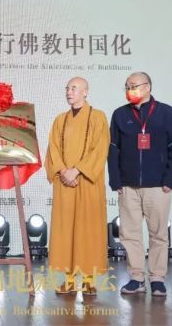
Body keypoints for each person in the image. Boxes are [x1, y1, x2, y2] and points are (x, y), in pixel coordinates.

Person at [108, 72, 172, 297]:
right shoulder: (120, 114)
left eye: (133, 85)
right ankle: (136, 277)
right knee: (130, 234)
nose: (129, 90)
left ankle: (157, 278)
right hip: (128, 186)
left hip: (158, 186)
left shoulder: (166, 112)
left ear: (148, 87)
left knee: (158, 234)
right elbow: (113, 150)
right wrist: (116, 180)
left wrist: (170, 180)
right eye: (126, 86)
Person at [44, 76, 110, 296]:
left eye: (74, 88)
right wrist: (63, 171)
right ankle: (70, 280)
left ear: (85, 92)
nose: (69, 92)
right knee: (67, 231)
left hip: (87, 182)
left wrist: (78, 170)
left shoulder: (98, 117)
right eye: (67, 88)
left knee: (88, 229)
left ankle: (89, 279)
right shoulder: (60, 120)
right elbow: (53, 149)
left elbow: (100, 149)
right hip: (65, 183)